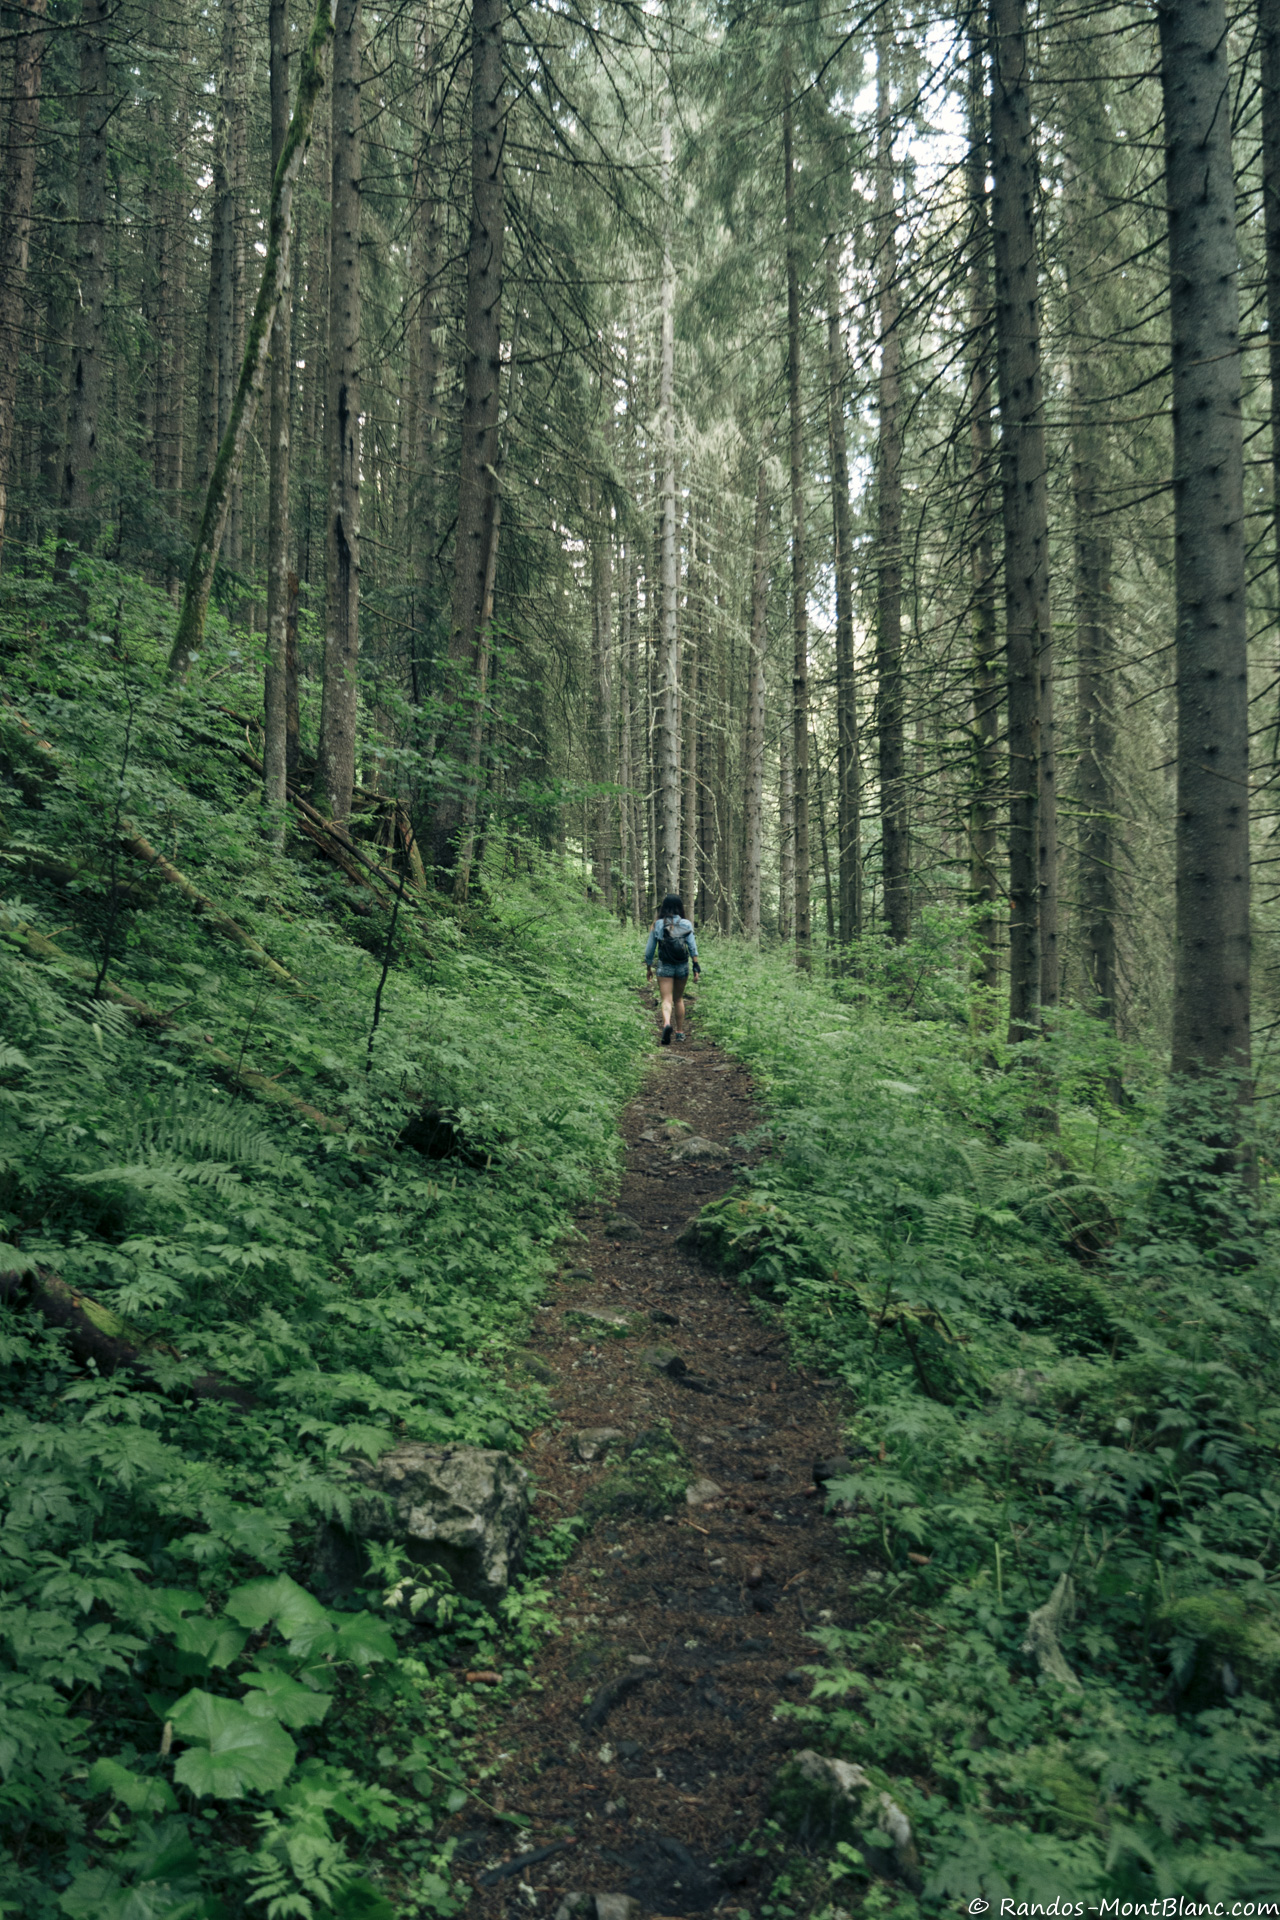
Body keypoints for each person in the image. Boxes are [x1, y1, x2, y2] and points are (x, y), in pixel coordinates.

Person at [644, 893, 700, 1046]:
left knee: (666, 999)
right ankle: (680, 1032)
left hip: (665, 965)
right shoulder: (686, 924)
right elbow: (692, 947)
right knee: (679, 999)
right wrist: (696, 966)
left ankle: (667, 1024)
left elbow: (649, 950)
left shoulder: (657, 924)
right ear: (680, 907)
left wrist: (649, 967)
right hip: (682, 966)